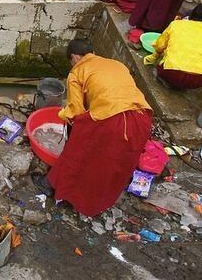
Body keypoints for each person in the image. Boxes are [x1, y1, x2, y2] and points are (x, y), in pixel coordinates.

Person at [32, 40, 153, 217]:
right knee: (115, 163)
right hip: (142, 118)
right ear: (93, 52)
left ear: (74, 57)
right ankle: (101, 201)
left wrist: (61, 115)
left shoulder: (77, 72)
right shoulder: (116, 64)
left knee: (79, 151)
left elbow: (75, 111)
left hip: (112, 121)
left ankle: (52, 186)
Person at [143, 4, 202, 90]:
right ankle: (183, 86)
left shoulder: (176, 24)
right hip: (200, 79)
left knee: (164, 64)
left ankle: (169, 81)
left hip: (171, 73)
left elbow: (160, 46)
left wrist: (155, 56)